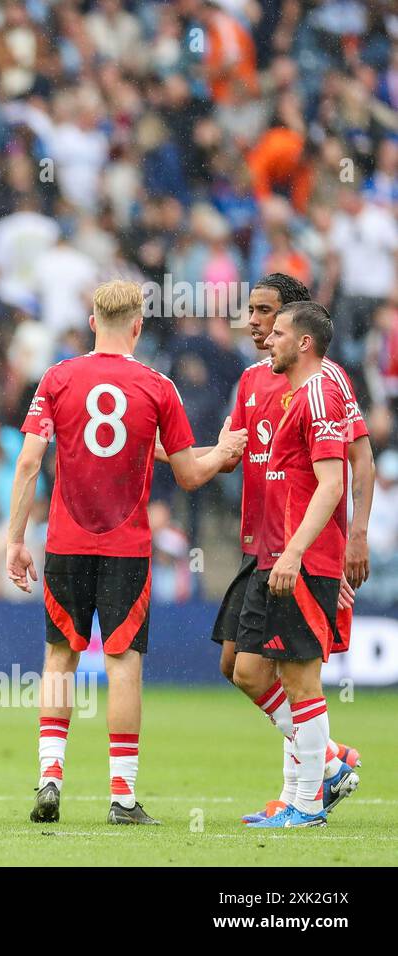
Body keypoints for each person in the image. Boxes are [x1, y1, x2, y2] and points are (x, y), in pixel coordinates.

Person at [5, 280, 245, 825]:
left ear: (93, 322)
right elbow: (187, 474)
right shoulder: (157, 387)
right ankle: (122, 796)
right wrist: (224, 452)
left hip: (65, 543)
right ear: (138, 326)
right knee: (123, 665)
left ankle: (49, 779)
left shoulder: (58, 378)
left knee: (59, 659)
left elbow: (27, 462)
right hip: (126, 548)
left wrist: (17, 539)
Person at [193, 275, 371, 823]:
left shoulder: (326, 382)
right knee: (239, 666)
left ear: (294, 326)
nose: (253, 322)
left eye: (264, 312)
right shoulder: (251, 381)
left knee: (290, 671)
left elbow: (354, 463)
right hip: (263, 543)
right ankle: (327, 761)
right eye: (249, 310)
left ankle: (304, 790)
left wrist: (351, 538)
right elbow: (231, 454)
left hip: (300, 545)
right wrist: (173, 454)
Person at [237, 302, 356, 829]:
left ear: (304, 342)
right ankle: (297, 795)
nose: (270, 340)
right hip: (285, 556)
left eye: (279, 332)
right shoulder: (300, 394)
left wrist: (293, 552)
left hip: (303, 560)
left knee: (303, 681)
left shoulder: (319, 393)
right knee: (279, 674)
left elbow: (332, 484)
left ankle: (308, 804)